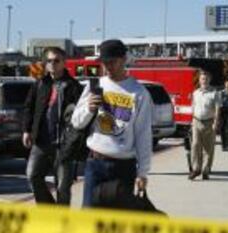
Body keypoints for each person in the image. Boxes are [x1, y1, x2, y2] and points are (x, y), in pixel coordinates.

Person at [71, 39, 152, 207]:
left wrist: (142, 173)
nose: (107, 67)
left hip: (124, 167)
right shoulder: (95, 86)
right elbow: (76, 122)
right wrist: (89, 109)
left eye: (112, 62)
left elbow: (143, 134)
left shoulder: (138, 92)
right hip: (95, 164)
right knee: (88, 220)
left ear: (124, 60)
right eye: (104, 62)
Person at [22, 47, 83, 205]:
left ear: (64, 63)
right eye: (49, 61)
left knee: (62, 188)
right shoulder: (40, 83)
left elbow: (82, 117)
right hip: (41, 142)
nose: (52, 64)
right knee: (32, 175)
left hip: (64, 145)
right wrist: (27, 130)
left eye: (56, 60)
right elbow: (29, 107)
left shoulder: (74, 86)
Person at [188, 70, 220, 180]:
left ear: (209, 80)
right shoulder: (195, 93)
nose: (204, 80)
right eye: (202, 79)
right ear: (199, 80)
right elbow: (193, 106)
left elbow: (217, 108)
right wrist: (192, 120)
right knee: (195, 145)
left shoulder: (214, 93)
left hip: (209, 122)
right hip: (196, 121)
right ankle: (196, 169)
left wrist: (216, 122)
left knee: (208, 147)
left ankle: (206, 170)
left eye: (206, 79)